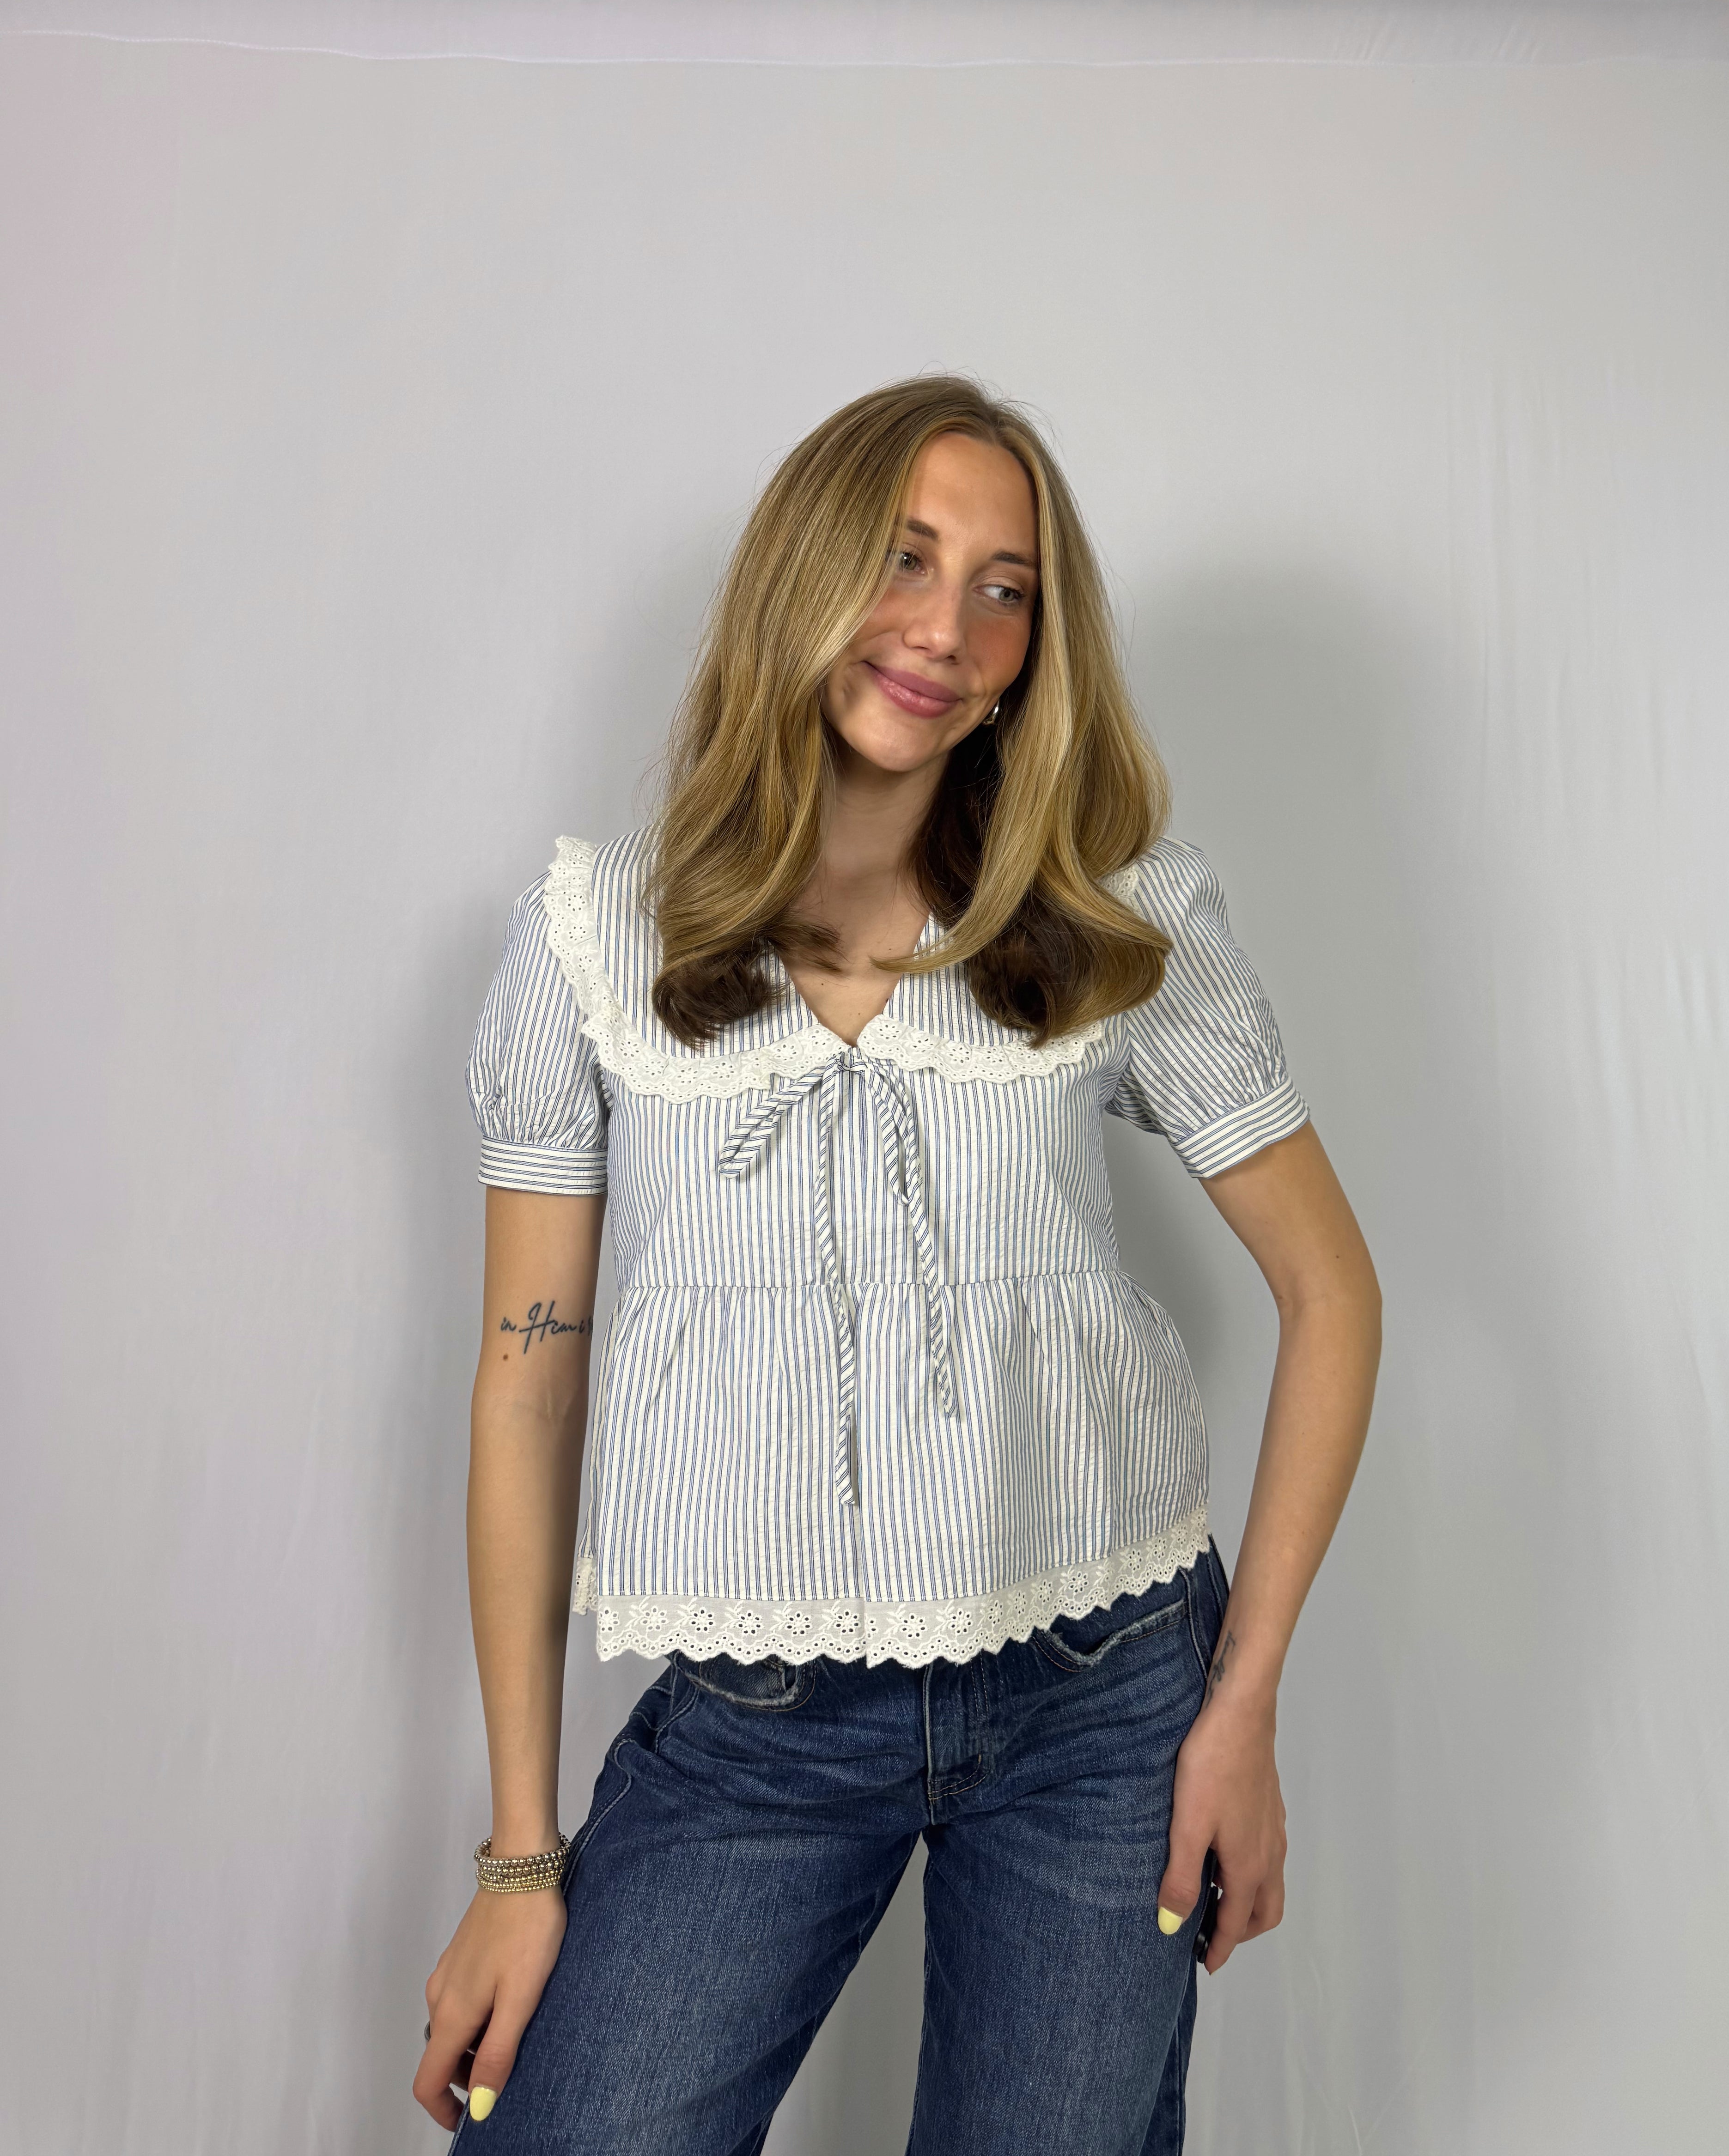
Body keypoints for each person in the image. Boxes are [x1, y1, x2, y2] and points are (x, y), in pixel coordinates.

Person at [413, 376, 1382, 2153]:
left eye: (1006, 587)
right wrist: (519, 1854)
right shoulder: (591, 944)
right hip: (759, 1722)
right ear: (800, 573)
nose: (949, 627)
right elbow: (528, 1378)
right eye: (904, 559)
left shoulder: (1117, 910)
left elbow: (1334, 1296)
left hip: (1110, 1701)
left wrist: (1239, 1710)